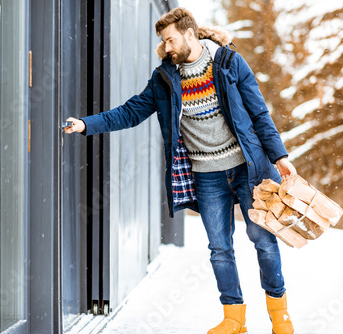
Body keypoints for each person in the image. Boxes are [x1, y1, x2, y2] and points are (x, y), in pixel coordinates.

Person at [65, 7, 296, 334]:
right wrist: (86, 124)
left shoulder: (229, 64)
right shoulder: (165, 78)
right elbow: (131, 112)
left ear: (190, 33)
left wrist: (280, 157)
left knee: (263, 240)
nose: (167, 46)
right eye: (163, 40)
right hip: (206, 176)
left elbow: (259, 114)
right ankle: (234, 318)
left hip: (248, 169)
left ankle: (279, 314)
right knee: (219, 249)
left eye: (171, 38)